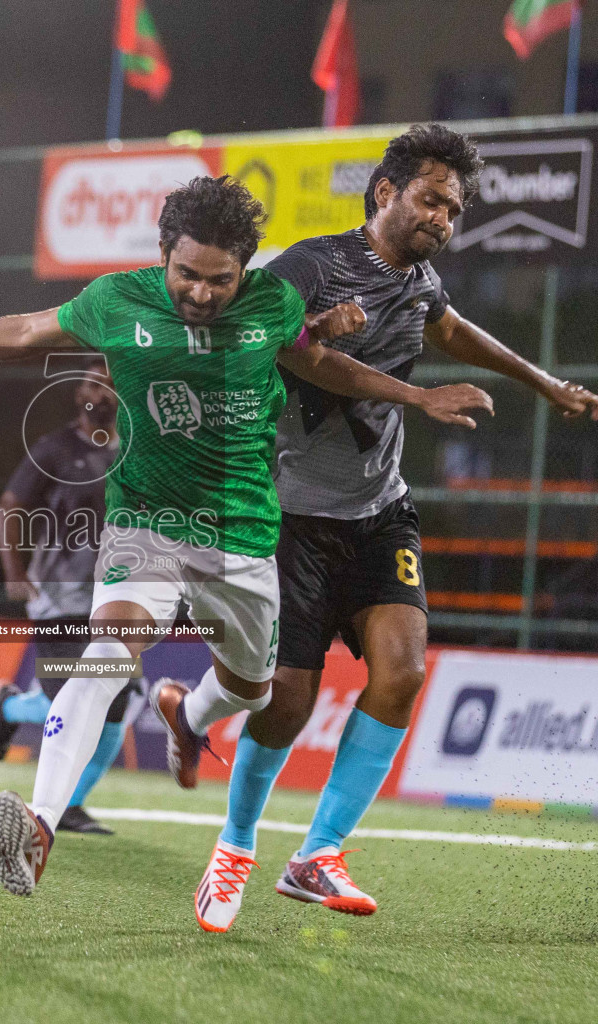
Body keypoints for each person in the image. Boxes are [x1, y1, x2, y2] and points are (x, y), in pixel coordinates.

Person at [0, 175, 490, 898]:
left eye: (220, 279)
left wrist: (416, 393)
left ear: (246, 268)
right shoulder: (117, 299)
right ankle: (40, 823)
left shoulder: (272, 302)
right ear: (162, 254)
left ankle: (188, 712)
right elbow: (22, 329)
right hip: (145, 518)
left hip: (242, 533)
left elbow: (316, 361)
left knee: (249, 689)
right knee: (107, 653)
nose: (203, 294)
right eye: (187, 274)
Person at [197, 124, 598, 932]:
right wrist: (418, 398)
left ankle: (319, 853)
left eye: (453, 209)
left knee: (404, 670)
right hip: (292, 518)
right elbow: (301, 356)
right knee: (289, 702)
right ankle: (234, 847)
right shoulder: (308, 267)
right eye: (431, 200)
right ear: (385, 192)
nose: (443, 219)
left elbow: (449, 332)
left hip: (379, 510)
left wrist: (543, 381)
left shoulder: (420, 281)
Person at [0, 357, 132, 835]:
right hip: (59, 595)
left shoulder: (135, 449)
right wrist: (14, 571)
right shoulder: (54, 448)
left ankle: (70, 805)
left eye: (111, 383)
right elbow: (8, 508)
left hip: (115, 598)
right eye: (93, 382)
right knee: (68, 699)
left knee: (117, 701)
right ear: (78, 394)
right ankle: (11, 708)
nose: (102, 390)